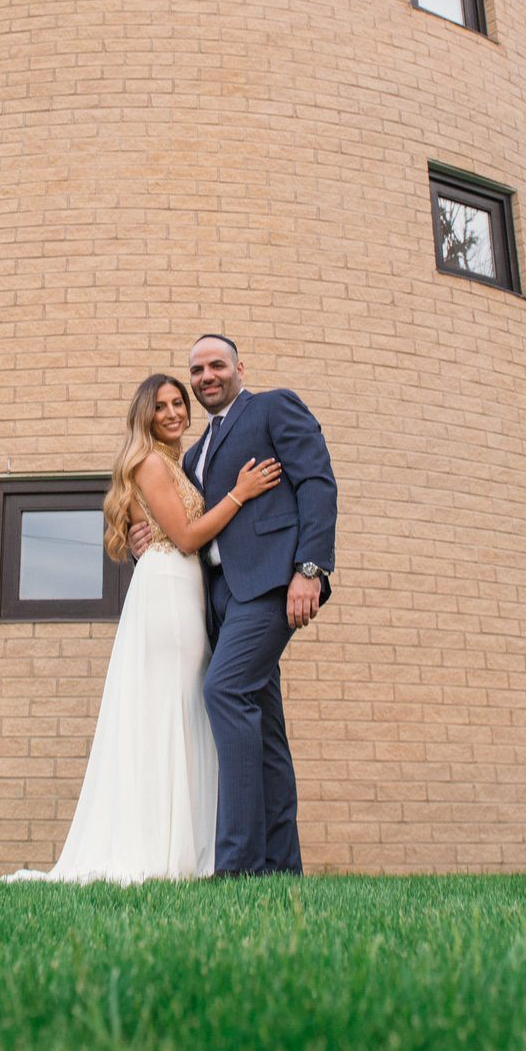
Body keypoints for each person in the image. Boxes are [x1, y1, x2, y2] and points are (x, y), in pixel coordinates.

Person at [0, 373, 281, 884]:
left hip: (183, 588)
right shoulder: (151, 462)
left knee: (186, 708)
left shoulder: (178, 463)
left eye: (179, 403)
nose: (173, 413)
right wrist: (240, 493)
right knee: (171, 709)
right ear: (144, 415)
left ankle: (189, 847)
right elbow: (189, 536)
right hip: (168, 589)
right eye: (161, 406)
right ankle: (161, 850)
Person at [132, 336, 337, 877]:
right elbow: (186, 527)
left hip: (271, 585)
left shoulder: (274, 407)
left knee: (223, 690)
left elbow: (317, 482)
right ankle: (279, 866)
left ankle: (240, 865)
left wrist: (309, 569)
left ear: (239, 367)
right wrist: (145, 540)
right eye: (196, 369)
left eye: (216, 365)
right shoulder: (194, 453)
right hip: (218, 598)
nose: (205, 377)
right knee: (263, 726)